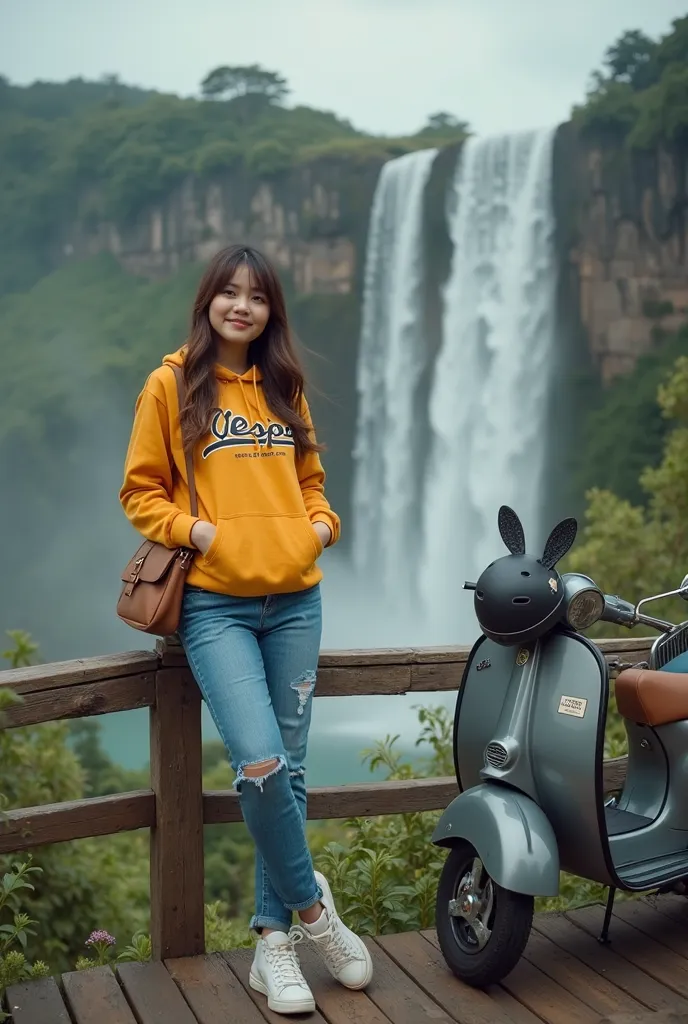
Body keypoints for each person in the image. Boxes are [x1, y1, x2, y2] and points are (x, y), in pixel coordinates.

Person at [119, 243, 373, 1015]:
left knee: (290, 774)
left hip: (296, 600)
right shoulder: (171, 384)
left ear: (271, 311)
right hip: (215, 606)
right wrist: (199, 535)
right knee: (260, 766)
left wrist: (319, 529)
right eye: (228, 293)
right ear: (207, 302)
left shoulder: (284, 386)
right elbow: (139, 490)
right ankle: (315, 916)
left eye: (256, 296)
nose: (241, 306)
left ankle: (271, 947)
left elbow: (312, 481)